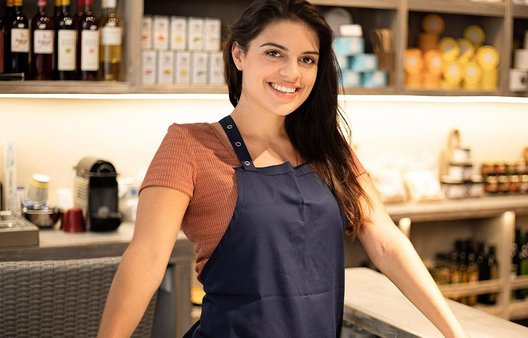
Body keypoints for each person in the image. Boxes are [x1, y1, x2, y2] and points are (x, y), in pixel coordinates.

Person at [98, 0, 469, 337]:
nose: (292, 72)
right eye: (275, 53)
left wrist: (453, 331)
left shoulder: (328, 148)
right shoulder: (189, 145)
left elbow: (387, 244)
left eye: (307, 59)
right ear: (239, 55)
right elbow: (146, 259)